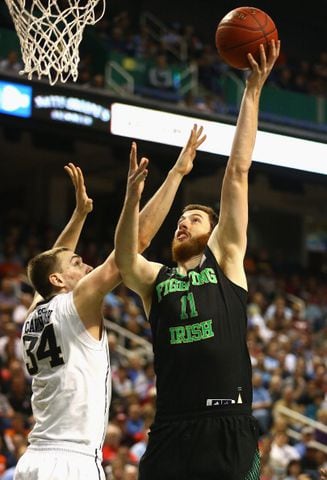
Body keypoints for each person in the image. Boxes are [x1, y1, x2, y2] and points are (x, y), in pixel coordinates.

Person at [114, 39, 280, 480]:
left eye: (194, 218)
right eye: (180, 219)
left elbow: (238, 170)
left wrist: (253, 91)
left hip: (227, 426)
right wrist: (133, 199)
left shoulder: (225, 260)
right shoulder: (155, 278)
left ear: (213, 233)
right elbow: (125, 257)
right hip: (172, 428)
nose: (182, 224)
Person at [14, 127, 206, 480]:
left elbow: (49, 265)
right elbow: (135, 245)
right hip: (71, 463)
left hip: (34, 461)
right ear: (59, 281)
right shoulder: (77, 304)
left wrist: (80, 214)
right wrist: (176, 173)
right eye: (76, 265)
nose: (85, 265)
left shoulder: (34, 314)